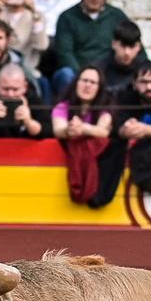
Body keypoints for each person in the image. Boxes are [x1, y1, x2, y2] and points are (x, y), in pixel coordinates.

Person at [102, 63, 151, 202]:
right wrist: (125, 130)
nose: (149, 87)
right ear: (134, 83)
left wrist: (146, 130)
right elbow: (116, 125)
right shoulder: (124, 97)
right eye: (143, 82)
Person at [53, 0, 129, 92]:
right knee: (65, 74)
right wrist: (85, 78)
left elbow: (132, 42)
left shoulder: (117, 16)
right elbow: (65, 54)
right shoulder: (67, 17)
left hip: (108, 74)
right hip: (76, 74)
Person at [51, 65, 112, 205]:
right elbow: (58, 129)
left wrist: (83, 128)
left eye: (93, 82)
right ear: (76, 83)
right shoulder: (63, 106)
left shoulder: (106, 107)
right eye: (84, 80)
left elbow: (103, 131)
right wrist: (69, 129)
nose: (87, 85)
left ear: (99, 88)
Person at [0, 62, 49, 137]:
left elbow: (48, 131)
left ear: (25, 86)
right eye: (5, 89)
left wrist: (28, 121)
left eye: (15, 89)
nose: (10, 94)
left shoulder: (32, 98)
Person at [94, 18, 149, 93]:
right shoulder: (99, 70)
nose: (127, 52)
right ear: (113, 44)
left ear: (139, 47)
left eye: (132, 46)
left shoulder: (147, 71)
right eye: (123, 46)